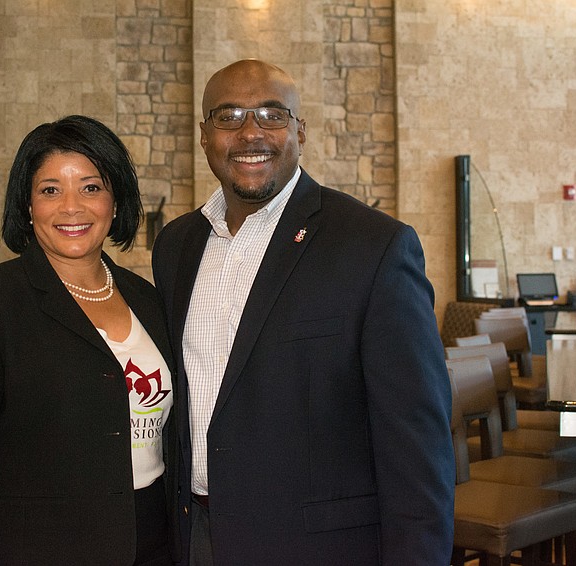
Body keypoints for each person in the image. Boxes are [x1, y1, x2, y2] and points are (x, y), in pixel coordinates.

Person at [152, 59, 455, 565]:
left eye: (272, 115)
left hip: (319, 548)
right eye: (229, 116)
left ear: (300, 131)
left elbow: (417, 446)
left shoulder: (374, 247)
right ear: (204, 136)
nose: (251, 132)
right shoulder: (176, 246)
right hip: (195, 538)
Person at [0, 115, 179, 566]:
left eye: (90, 187)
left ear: (115, 201)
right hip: (42, 547)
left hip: (154, 541)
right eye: (50, 190)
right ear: (27, 206)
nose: (71, 207)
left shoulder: (148, 299)